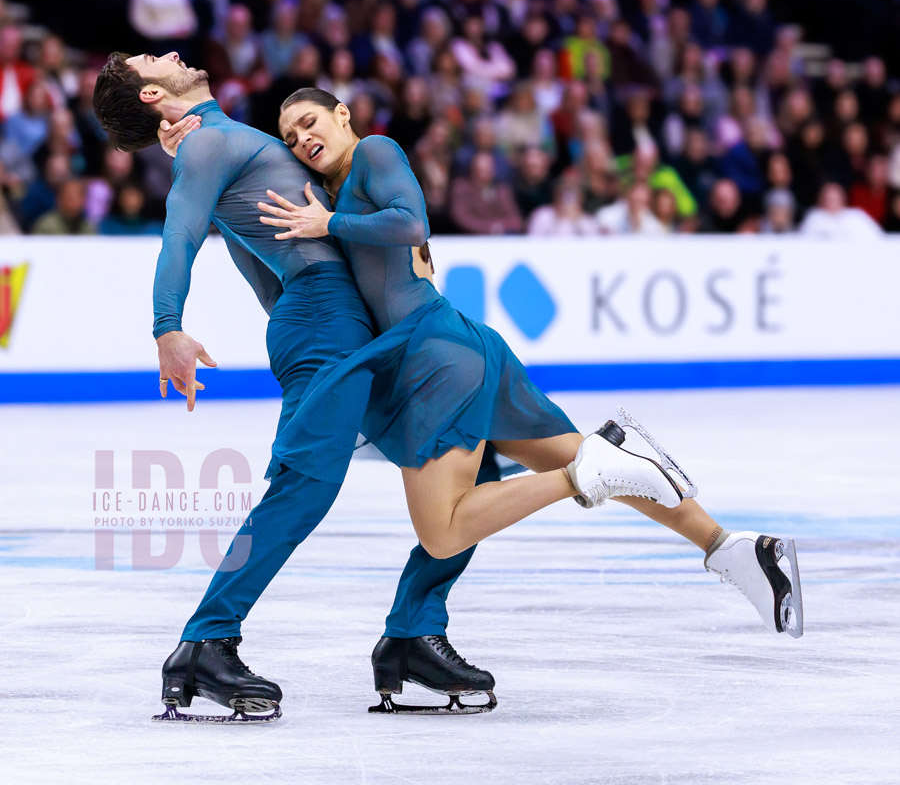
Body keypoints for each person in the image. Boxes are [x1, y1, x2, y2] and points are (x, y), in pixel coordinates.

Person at [239, 88, 802, 678]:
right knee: (579, 454)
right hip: (449, 346)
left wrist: (328, 221)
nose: (301, 139)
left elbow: (412, 223)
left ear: (343, 115)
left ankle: (587, 474)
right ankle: (732, 549)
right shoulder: (329, 193)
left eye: (309, 123)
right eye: (290, 137)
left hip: (433, 358)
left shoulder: (375, 152)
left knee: (446, 531)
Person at [92, 51, 499, 722]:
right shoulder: (208, 146)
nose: (174, 53)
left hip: (343, 320)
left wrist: (171, 137)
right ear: (155, 91)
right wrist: (168, 327)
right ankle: (205, 642)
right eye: (154, 58)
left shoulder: (214, 139)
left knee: (471, 454)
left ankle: (412, 633)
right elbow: (179, 235)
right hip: (323, 319)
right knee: (306, 485)